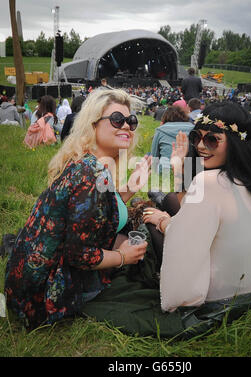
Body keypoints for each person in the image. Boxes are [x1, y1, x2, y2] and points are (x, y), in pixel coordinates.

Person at [5, 88, 151, 330]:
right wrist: (123, 257)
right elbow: (79, 255)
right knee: (139, 253)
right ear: (93, 124)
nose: (126, 126)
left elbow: (102, 209)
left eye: (131, 121)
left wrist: (132, 187)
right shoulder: (90, 173)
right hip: (43, 297)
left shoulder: (89, 161)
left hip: (26, 284)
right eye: (117, 119)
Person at [143, 101, 251, 319]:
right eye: (197, 137)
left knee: (151, 223)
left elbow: (183, 236)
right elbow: (191, 207)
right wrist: (180, 168)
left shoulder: (209, 182)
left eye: (212, 139)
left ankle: (157, 203)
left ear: (235, 142)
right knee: (170, 201)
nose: (201, 146)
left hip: (216, 298)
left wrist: (162, 222)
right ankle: (160, 199)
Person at [150, 106, 194, 171]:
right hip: (189, 168)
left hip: (164, 169)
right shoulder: (193, 128)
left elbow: (154, 155)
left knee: (148, 155)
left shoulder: (161, 130)